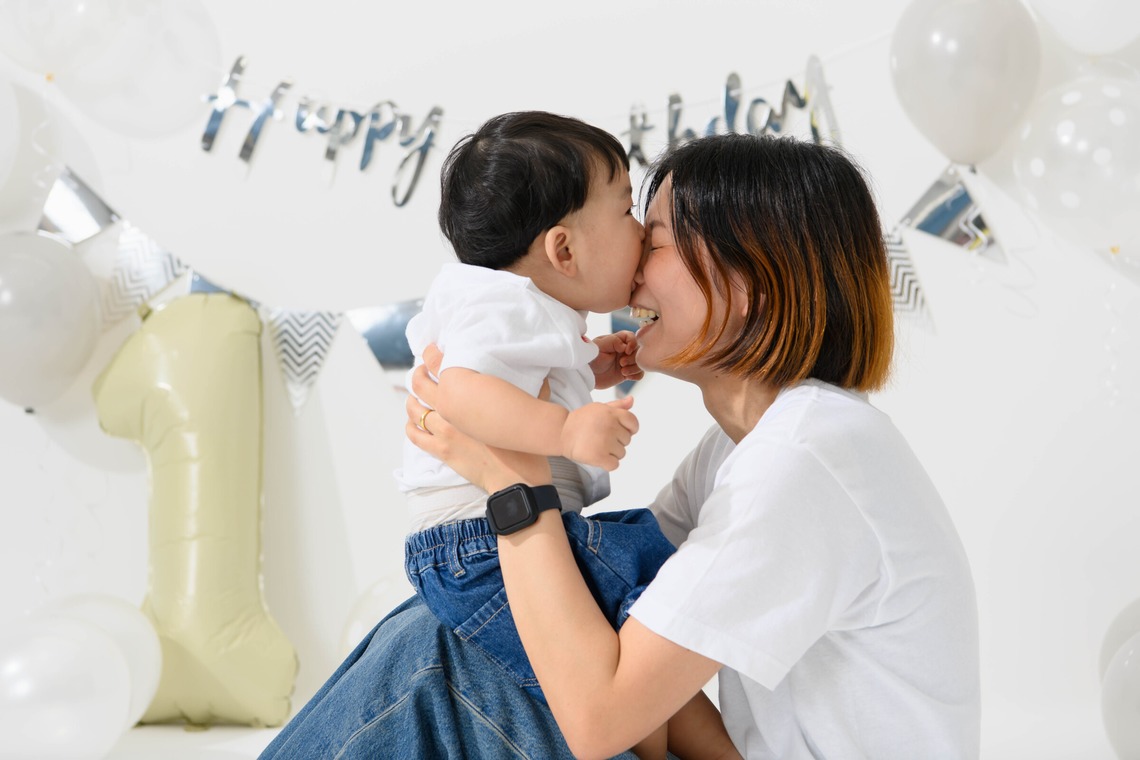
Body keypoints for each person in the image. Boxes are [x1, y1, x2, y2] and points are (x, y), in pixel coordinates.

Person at [260, 132, 980, 760]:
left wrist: (508, 477)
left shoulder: (805, 460)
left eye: (656, 238)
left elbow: (597, 718)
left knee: (436, 657)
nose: (633, 262)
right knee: (447, 625)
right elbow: (605, 609)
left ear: (751, 282)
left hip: (616, 722)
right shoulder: (747, 449)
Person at [395, 111, 737, 760]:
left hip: (487, 543)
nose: (641, 232)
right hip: (476, 547)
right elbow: (463, 391)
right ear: (564, 250)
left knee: (644, 637)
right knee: (637, 625)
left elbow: (522, 374)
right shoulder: (501, 304)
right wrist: (567, 427)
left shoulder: (532, 311)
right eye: (626, 210)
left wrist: (599, 362)